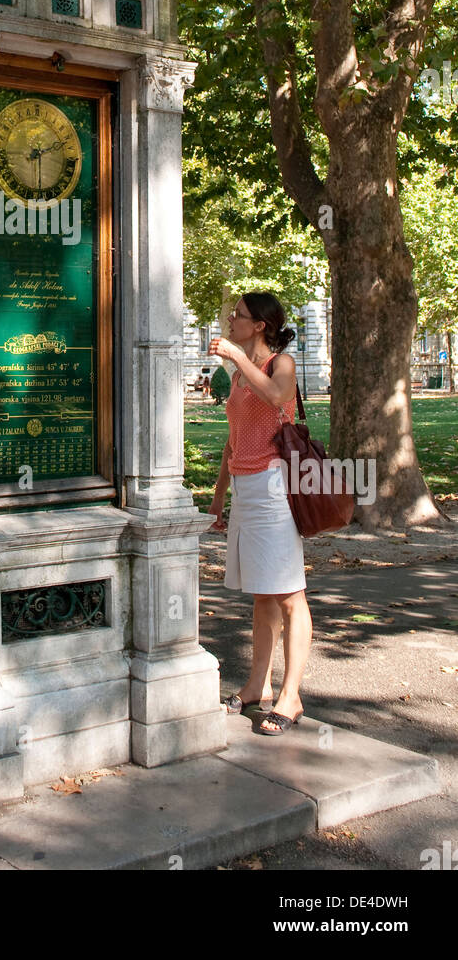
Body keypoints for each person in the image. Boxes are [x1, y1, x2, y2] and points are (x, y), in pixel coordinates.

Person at [207, 292, 312, 735]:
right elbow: (234, 440)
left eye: (239, 316)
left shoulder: (279, 365)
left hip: (274, 490)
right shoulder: (237, 376)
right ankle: (257, 686)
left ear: (260, 326)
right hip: (246, 491)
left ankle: (292, 696)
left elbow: (274, 397)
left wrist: (236, 357)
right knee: (262, 594)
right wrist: (218, 496)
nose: (231, 320)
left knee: (289, 594)